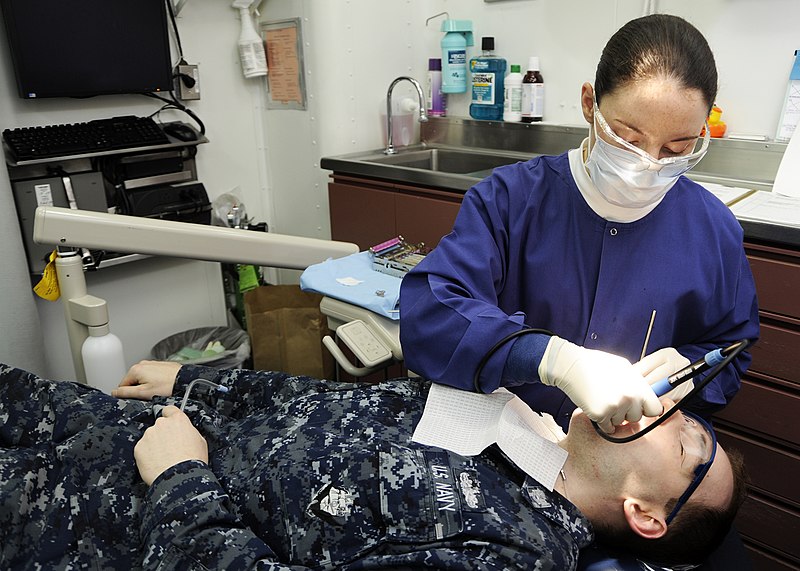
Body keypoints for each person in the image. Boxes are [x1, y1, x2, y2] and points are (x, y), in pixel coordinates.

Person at [0, 360, 746, 570]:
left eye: (681, 441)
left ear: (647, 513)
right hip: (143, 424)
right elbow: (341, 401)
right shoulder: (515, 428)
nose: (660, 409)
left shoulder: (515, 552)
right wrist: (204, 383)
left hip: (104, 520)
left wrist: (179, 483)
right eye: (677, 408)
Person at [399, 13, 760, 434]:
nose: (648, 164)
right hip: (505, 443)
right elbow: (432, 316)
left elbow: (731, 350)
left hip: (616, 463)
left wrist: (692, 371)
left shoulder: (713, 230)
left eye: (676, 148)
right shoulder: (511, 199)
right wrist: (549, 359)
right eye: (628, 139)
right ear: (589, 104)